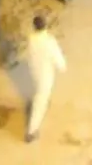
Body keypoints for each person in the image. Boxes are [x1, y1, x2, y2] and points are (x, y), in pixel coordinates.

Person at [26, 14, 68, 143]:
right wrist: (63, 67)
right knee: (40, 103)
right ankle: (31, 132)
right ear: (45, 26)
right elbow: (58, 61)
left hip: (34, 72)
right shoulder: (49, 42)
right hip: (45, 76)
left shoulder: (31, 38)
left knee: (38, 94)